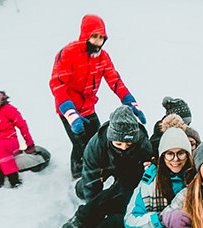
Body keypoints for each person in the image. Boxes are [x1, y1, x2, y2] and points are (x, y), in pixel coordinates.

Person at [29, 106, 152, 228]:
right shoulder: (96, 145)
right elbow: (91, 183)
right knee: (93, 196)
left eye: (128, 143)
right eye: (119, 143)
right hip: (108, 166)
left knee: (112, 205)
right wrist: (92, 212)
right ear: (110, 139)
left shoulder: (144, 145)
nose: (124, 147)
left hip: (132, 179)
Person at [49, 14, 146, 179]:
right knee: (80, 144)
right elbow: (57, 84)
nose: (98, 41)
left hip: (88, 108)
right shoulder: (68, 53)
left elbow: (114, 80)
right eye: (94, 36)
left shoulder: (103, 57)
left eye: (101, 37)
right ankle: (79, 175)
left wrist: (130, 101)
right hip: (68, 109)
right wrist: (70, 112)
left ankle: (102, 169)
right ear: (85, 35)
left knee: (99, 141)